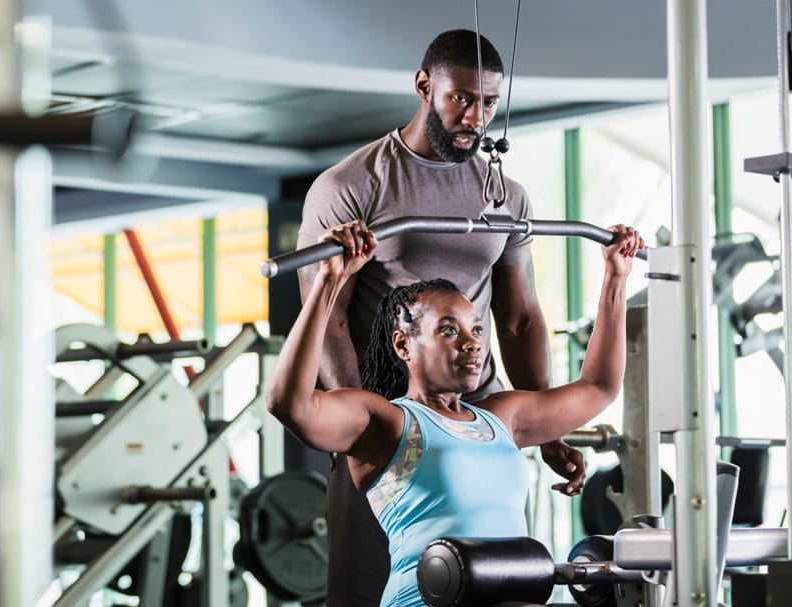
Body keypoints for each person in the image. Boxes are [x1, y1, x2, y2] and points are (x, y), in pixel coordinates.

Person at [296, 29, 585, 605]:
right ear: (425, 86)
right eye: (462, 98)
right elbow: (326, 317)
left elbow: (521, 318)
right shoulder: (352, 186)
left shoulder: (505, 194)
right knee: (373, 589)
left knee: (494, 584)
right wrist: (370, 430)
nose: (475, 117)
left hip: (481, 424)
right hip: (393, 431)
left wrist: (551, 428)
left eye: (489, 103)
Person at [270, 221, 643, 607]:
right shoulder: (387, 425)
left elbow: (598, 387)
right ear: (403, 344)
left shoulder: (501, 419)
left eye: (477, 330)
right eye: (449, 331)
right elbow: (289, 403)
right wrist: (328, 283)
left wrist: (616, 276)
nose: (472, 344)